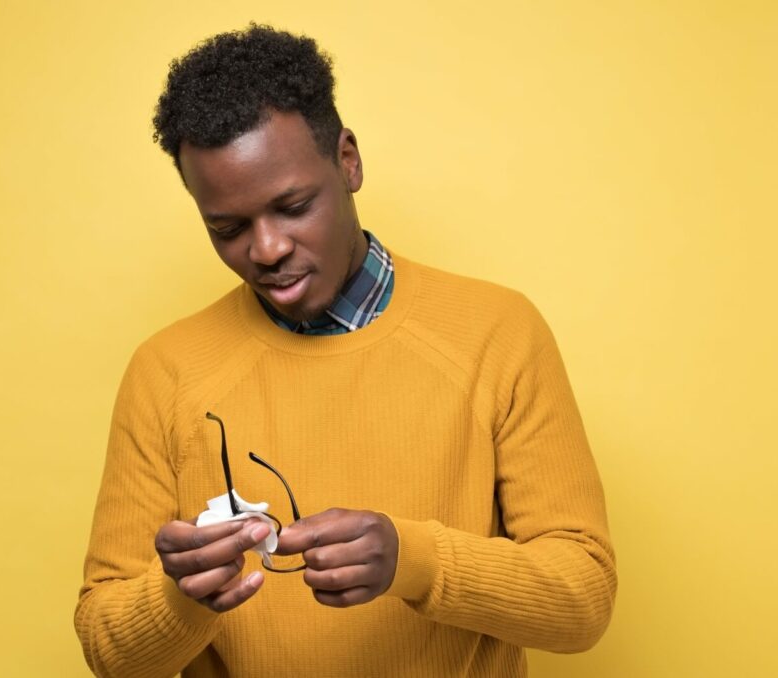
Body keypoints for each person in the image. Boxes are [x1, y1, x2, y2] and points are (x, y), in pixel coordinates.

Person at [74, 24, 617, 678]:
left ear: (349, 160)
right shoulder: (165, 372)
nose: (267, 248)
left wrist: (413, 560)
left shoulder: (498, 333)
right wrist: (181, 598)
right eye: (229, 228)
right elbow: (108, 652)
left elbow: (583, 598)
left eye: (293, 205)